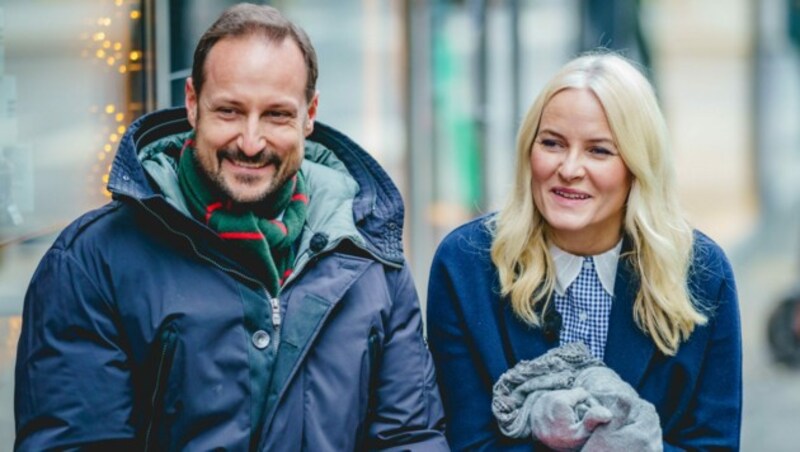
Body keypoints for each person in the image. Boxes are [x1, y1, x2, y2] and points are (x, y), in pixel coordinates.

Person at [15, 4, 448, 450]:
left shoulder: (369, 256)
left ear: (310, 114)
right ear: (191, 103)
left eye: (277, 115)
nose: (251, 141)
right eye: (229, 111)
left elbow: (408, 438)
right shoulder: (94, 261)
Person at [427, 52, 741, 451]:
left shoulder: (700, 273)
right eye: (552, 143)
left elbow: (714, 443)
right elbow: (466, 441)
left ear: (637, 166)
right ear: (529, 150)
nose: (570, 168)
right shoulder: (466, 264)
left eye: (599, 150)